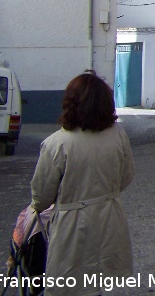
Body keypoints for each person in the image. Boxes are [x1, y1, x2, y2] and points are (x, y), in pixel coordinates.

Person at [30, 70, 134, 296]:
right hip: (109, 218)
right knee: (96, 281)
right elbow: (125, 177)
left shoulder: (57, 144)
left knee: (71, 283)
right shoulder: (118, 135)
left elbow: (42, 196)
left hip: (73, 225)